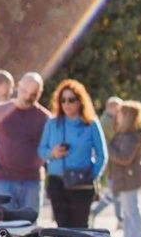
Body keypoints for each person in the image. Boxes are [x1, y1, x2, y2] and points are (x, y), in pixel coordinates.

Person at [0, 72, 51, 217]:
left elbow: (49, 146)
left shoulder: (45, 118)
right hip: (3, 181)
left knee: (30, 229)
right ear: (18, 86)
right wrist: (5, 154)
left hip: (32, 182)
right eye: (25, 91)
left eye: (33, 94)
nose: (28, 97)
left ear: (40, 93)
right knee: (5, 229)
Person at [38, 79, 107, 228]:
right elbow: (41, 151)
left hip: (81, 182)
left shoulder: (91, 124)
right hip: (57, 182)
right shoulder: (52, 123)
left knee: (80, 228)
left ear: (80, 101)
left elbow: (102, 155)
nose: (66, 104)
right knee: (62, 228)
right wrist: (53, 153)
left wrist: (91, 175)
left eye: (71, 100)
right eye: (62, 100)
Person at [108, 101, 141, 237]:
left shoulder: (131, 136)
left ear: (127, 116)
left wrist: (109, 149)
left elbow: (124, 157)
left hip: (129, 178)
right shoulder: (125, 134)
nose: (117, 116)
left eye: (120, 113)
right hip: (124, 178)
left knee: (132, 212)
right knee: (128, 212)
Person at [93, 97, 124, 226]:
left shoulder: (108, 120)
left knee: (116, 194)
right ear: (111, 107)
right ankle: (94, 212)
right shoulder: (107, 122)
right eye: (118, 108)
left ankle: (120, 219)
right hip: (112, 164)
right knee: (114, 194)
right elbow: (117, 138)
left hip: (113, 163)